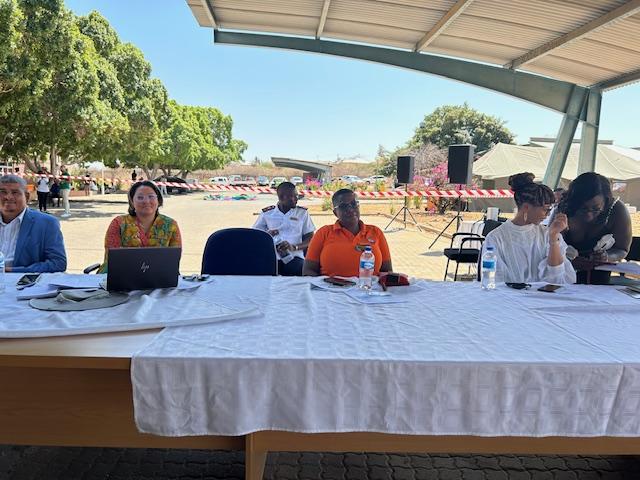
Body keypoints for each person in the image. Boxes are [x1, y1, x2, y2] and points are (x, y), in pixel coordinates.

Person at [482, 172, 575, 284]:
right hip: (509, 298)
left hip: (544, 298)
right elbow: (495, 279)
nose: (548, 215)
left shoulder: (547, 234)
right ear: (526, 207)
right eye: (546, 209)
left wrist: (553, 238)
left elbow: (558, 279)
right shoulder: (496, 237)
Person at [559, 172, 632, 285]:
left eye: (596, 209)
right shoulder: (564, 209)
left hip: (599, 278)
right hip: (563, 275)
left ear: (606, 202)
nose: (589, 215)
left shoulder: (617, 211)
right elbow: (548, 245)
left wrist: (606, 257)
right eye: (582, 208)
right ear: (573, 203)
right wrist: (568, 259)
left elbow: (622, 249)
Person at [303, 188, 392, 277]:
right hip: (331, 289)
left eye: (353, 204)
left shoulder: (376, 232)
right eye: (343, 206)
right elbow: (308, 270)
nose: (350, 209)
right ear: (335, 213)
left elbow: (387, 271)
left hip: (367, 288)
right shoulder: (323, 233)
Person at [99, 180, 181, 273]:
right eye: (140, 197)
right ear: (132, 202)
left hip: (159, 278)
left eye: (151, 196)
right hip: (121, 278)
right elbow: (111, 260)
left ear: (158, 201)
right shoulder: (119, 223)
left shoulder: (170, 225)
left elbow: (173, 261)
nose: (146, 201)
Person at [0, 174, 67, 273]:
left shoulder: (47, 223)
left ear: (26, 197)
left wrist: (9, 271)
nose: (8, 197)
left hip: (25, 284)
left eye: (15, 192)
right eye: (2, 192)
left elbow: (58, 263)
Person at [253, 182, 315, 276]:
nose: (296, 199)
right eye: (293, 196)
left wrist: (294, 247)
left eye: (297, 196)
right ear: (281, 197)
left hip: (295, 257)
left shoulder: (302, 213)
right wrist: (267, 235)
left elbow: (311, 238)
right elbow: (255, 236)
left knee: (299, 272)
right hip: (272, 257)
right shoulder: (267, 213)